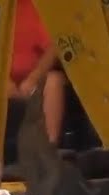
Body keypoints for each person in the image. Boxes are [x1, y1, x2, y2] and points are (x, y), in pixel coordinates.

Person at [10, 0, 66, 146]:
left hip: (34, 81)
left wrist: (34, 78)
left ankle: (50, 146)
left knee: (54, 80)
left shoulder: (35, 7)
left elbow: (53, 46)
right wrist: (2, 81)